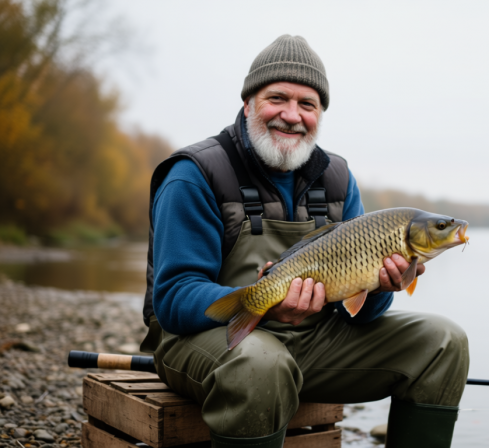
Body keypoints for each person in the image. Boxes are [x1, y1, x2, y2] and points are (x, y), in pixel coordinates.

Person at [139, 35, 469, 448]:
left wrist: (387, 285)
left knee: (444, 342)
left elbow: (361, 315)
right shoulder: (195, 174)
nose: (292, 116)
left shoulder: (337, 178)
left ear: (319, 114)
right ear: (248, 104)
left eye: (307, 105)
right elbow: (172, 301)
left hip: (313, 341)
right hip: (206, 340)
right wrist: (260, 300)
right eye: (277, 98)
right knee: (260, 364)